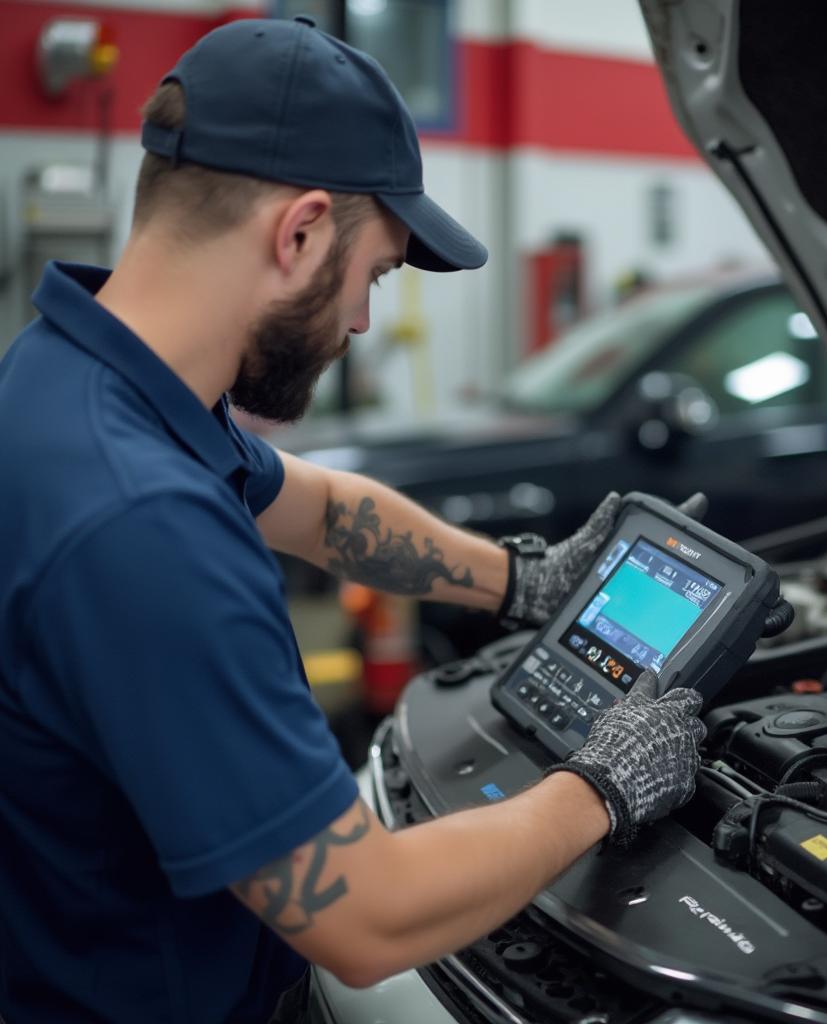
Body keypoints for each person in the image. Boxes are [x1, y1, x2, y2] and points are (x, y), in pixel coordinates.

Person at [0, 18, 706, 1023]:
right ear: (298, 232)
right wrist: (599, 786)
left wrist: (522, 580)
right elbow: (363, 919)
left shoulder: (73, 377)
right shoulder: (140, 525)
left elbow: (320, 506)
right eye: (372, 274)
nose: (363, 321)